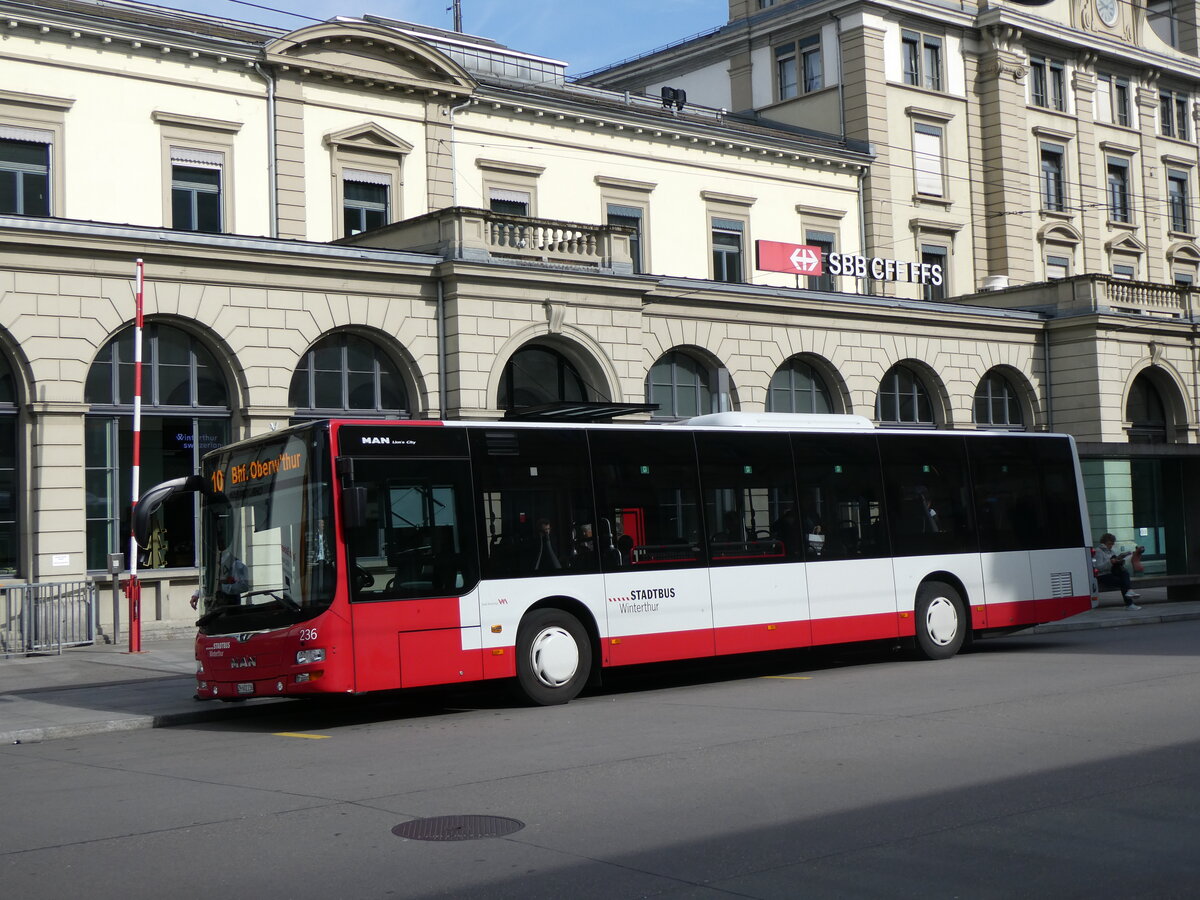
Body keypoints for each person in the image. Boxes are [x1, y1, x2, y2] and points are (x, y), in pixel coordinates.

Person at [1095, 532, 1140, 609]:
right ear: (1104, 543)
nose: (1111, 546)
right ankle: (1129, 603)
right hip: (1102, 575)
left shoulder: (1111, 551)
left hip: (1111, 572)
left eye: (1112, 544)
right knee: (1123, 582)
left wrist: (1119, 561)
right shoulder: (1099, 551)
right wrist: (1111, 562)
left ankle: (1129, 595)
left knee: (1125, 573)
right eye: (1109, 544)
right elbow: (1099, 567)